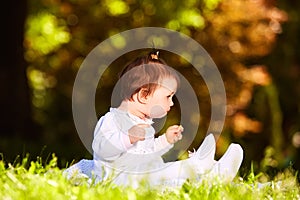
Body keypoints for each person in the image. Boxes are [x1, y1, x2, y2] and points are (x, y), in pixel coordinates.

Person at [64, 50, 243, 187]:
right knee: (167, 171)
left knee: (166, 173)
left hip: (141, 175)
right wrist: (127, 138)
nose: (172, 103)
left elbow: (149, 152)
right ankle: (198, 167)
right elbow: (102, 150)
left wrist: (165, 140)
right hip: (121, 179)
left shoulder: (144, 125)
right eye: (168, 96)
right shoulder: (112, 120)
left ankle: (211, 174)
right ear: (143, 95)